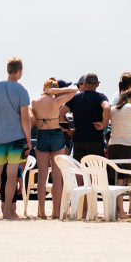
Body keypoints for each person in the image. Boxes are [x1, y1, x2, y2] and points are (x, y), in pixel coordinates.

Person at [0, 57, 32, 220]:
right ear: (20, 71)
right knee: (11, 176)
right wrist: (28, 140)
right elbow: (25, 119)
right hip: (16, 139)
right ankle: (6, 213)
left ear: (7, 70)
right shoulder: (22, 91)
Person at [32, 78, 79, 218]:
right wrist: (59, 91)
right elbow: (75, 90)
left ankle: (42, 211)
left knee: (42, 176)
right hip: (56, 134)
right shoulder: (56, 101)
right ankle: (56, 212)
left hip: (42, 134)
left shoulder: (34, 102)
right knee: (57, 176)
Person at [105, 89, 131, 184]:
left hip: (113, 146)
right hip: (127, 145)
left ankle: (119, 199)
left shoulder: (113, 109)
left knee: (117, 177)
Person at [66, 73, 109, 161]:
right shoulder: (100, 97)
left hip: (78, 140)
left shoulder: (76, 97)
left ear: (84, 84)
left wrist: (68, 129)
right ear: (97, 85)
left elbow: (61, 112)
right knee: (96, 171)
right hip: (95, 140)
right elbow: (107, 108)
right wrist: (104, 124)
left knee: (79, 170)